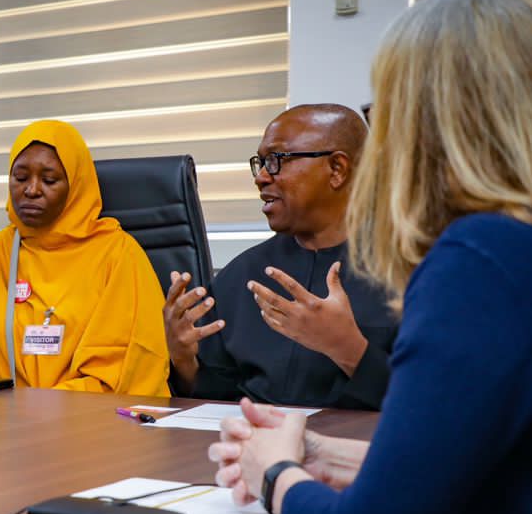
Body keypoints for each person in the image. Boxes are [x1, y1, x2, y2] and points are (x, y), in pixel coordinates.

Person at [210, 0, 532, 514]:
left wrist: (274, 475)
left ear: (424, 126)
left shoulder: (483, 261)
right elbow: (524, 456)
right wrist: (317, 450)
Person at [164, 105, 397, 409]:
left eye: (276, 160)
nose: (261, 177)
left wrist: (349, 349)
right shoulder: (244, 274)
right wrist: (184, 361)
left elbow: (438, 403)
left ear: (337, 169)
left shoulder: (407, 271)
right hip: (247, 446)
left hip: (358, 449)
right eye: (260, 163)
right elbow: (217, 399)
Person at [0, 120, 171, 395]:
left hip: (92, 421)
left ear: (76, 185)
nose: (31, 190)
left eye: (49, 180)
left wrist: (45, 409)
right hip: (2, 423)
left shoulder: (118, 254)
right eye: (20, 178)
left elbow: (128, 369)